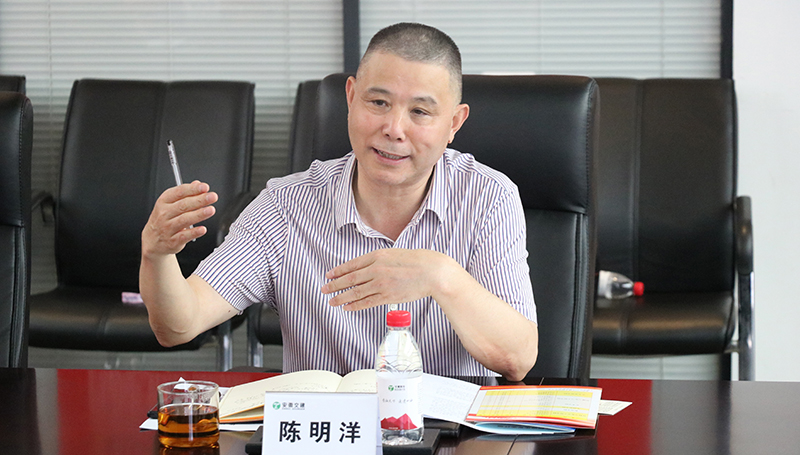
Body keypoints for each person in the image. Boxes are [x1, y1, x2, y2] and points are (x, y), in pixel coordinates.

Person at [140, 22, 538, 381]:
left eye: (420, 111)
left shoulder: (487, 198)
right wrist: (156, 255)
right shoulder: (285, 206)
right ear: (350, 97)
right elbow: (178, 326)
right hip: (324, 427)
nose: (394, 129)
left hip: (446, 429)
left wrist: (441, 276)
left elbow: (518, 359)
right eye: (378, 103)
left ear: (453, 123)